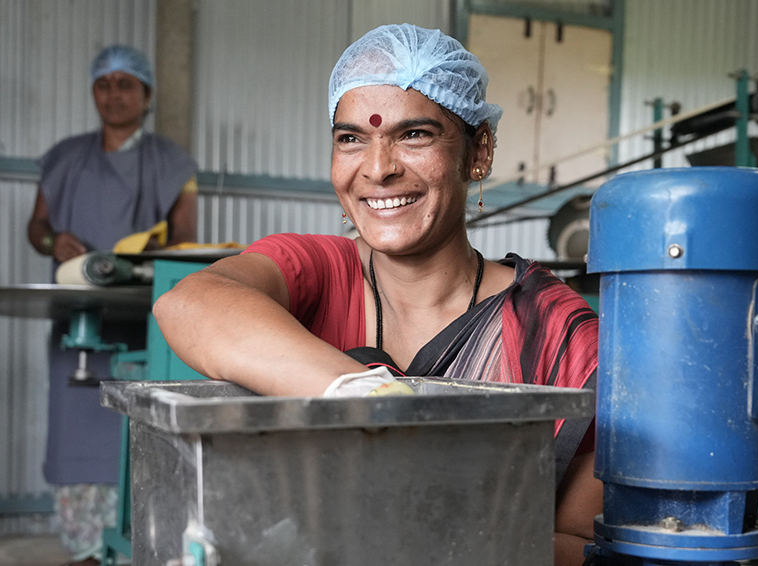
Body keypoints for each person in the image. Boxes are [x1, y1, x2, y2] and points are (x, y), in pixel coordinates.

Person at [153, 24, 600, 566]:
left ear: (478, 151)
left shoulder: (555, 331)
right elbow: (189, 303)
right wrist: (366, 400)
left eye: (415, 135)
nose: (378, 167)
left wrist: (429, 530)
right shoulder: (320, 271)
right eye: (351, 138)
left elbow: (583, 546)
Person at [26, 45, 198, 566]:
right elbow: (36, 228)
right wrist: (52, 240)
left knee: (138, 430)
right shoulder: (63, 159)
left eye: (127, 84)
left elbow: (189, 241)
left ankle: (140, 543)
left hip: (143, 321)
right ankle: (84, 549)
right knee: (78, 427)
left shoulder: (172, 165)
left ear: (146, 95)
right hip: (76, 323)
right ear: (93, 93)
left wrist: (152, 251)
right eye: (105, 84)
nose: (114, 94)